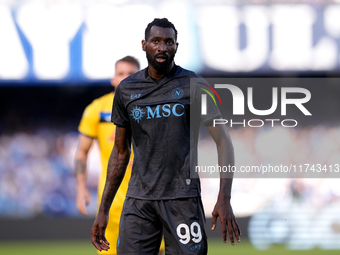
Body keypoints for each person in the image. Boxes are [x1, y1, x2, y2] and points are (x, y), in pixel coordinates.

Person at [91, 18, 241, 255]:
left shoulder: (194, 85)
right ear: (144, 45)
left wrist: (225, 197)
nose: (162, 47)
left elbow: (223, 141)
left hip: (182, 199)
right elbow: (120, 152)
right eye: (156, 41)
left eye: (168, 42)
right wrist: (103, 209)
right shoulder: (127, 90)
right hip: (139, 201)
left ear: (176, 47)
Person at [75, 56, 141, 255]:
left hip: (147, 198)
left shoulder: (154, 108)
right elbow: (82, 152)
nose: (125, 78)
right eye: (121, 74)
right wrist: (80, 188)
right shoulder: (97, 109)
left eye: (131, 74)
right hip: (110, 200)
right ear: (113, 79)